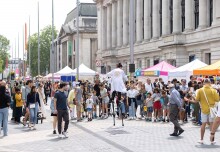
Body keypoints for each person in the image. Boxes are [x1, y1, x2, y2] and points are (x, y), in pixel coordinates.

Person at [194, 78, 219, 144]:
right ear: (210, 82)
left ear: (203, 83)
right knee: (211, 124)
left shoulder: (200, 90)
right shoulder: (213, 90)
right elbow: (217, 99)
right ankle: (212, 140)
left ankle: (201, 139)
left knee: (203, 124)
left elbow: (196, 100)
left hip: (203, 109)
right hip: (212, 110)